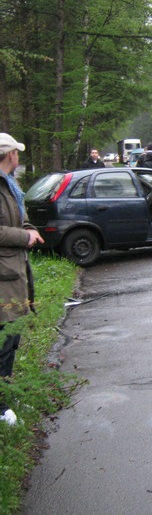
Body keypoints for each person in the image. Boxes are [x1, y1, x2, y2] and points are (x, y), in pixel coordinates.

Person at [0, 133, 44, 426]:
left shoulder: (10, 185)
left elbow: (18, 218)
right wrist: (25, 236)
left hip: (12, 271)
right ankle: (1, 405)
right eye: (17, 153)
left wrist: (30, 228)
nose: (19, 158)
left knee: (7, 334)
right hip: (3, 272)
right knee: (1, 335)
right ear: (10, 155)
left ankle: (6, 391)